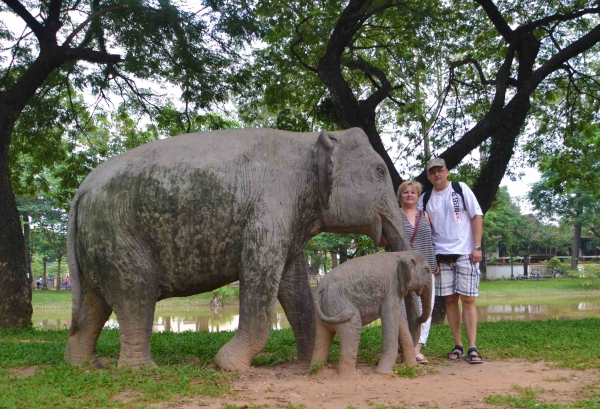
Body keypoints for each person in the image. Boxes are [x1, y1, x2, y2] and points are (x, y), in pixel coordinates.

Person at [418, 158, 484, 364]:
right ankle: (458, 345)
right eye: (432, 172)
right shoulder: (426, 198)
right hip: (440, 256)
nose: (437, 175)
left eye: (440, 170)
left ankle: (473, 347)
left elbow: (477, 215)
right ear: (428, 176)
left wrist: (477, 246)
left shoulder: (460, 189)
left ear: (447, 172)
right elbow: (419, 223)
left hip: (466, 253)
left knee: (469, 299)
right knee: (449, 300)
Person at [397, 180, 439, 365]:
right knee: (403, 309)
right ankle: (405, 347)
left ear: (418, 195)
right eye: (405, 192)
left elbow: (432, 241)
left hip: (425, 268)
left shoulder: (426, 216)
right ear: (400, 196)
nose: (409, 195)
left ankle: (416, 349)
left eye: (413, 192)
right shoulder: (394, 216)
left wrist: (434, 263)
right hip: (402, 269)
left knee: (425, 308)